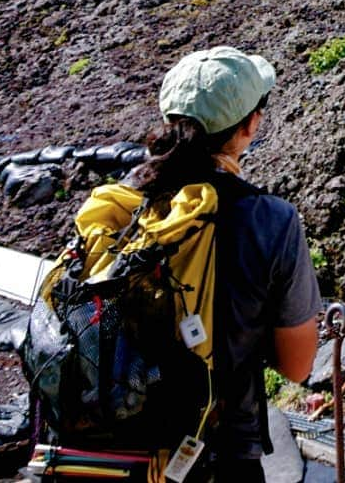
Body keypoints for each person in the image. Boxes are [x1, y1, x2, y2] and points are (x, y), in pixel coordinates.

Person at [131, 46, 322, 482]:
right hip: (220, 454)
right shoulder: (270, 221)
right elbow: (297, 366)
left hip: (118, 451)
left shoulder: (122, 206)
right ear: (249, 126)